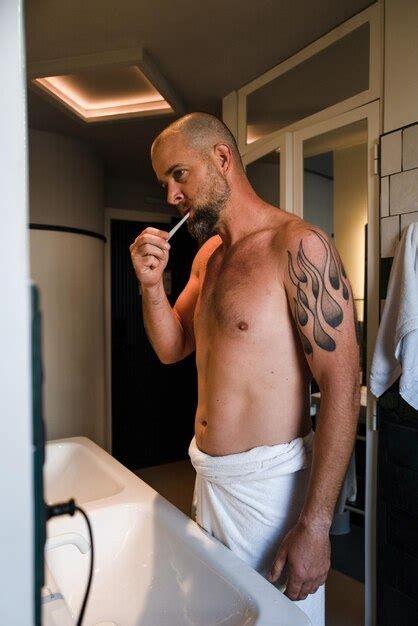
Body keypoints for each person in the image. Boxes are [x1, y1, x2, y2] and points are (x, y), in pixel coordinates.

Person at [130, 112, 360, 626]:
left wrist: (317, 525)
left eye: (178, 174)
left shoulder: (298, 246)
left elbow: (343, 388)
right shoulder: (208, 257)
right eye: (165, 181)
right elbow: (173, 347)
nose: (171, 196)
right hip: (210, 481)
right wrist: (151, 287)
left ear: (221, 157)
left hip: (270, 494)